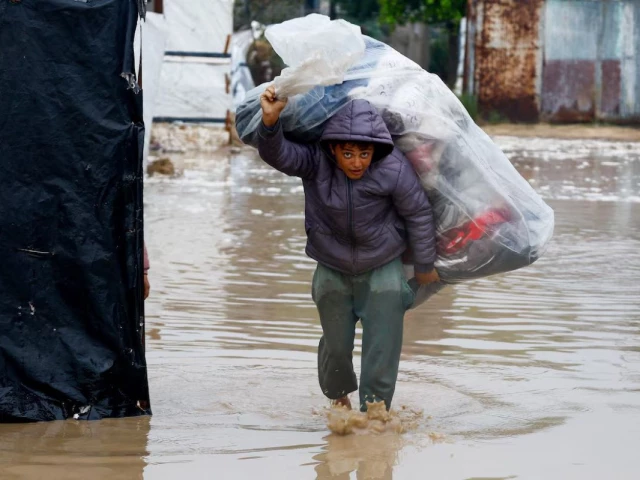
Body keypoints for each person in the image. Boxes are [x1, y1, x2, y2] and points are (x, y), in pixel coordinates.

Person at [257, 86, 439, 412]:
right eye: (349, 154)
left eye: (364, 154)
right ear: (333, 149)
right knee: (336, 346)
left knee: (382, 346)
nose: (357, 163)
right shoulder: (315, 162)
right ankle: (338, 400)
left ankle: (375, 414)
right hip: (331, 265)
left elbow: (418, 213)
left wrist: (425, 264)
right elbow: (280, 155)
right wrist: (270, 123)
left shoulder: (393, 167)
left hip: (382, 266)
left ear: (376, 150)